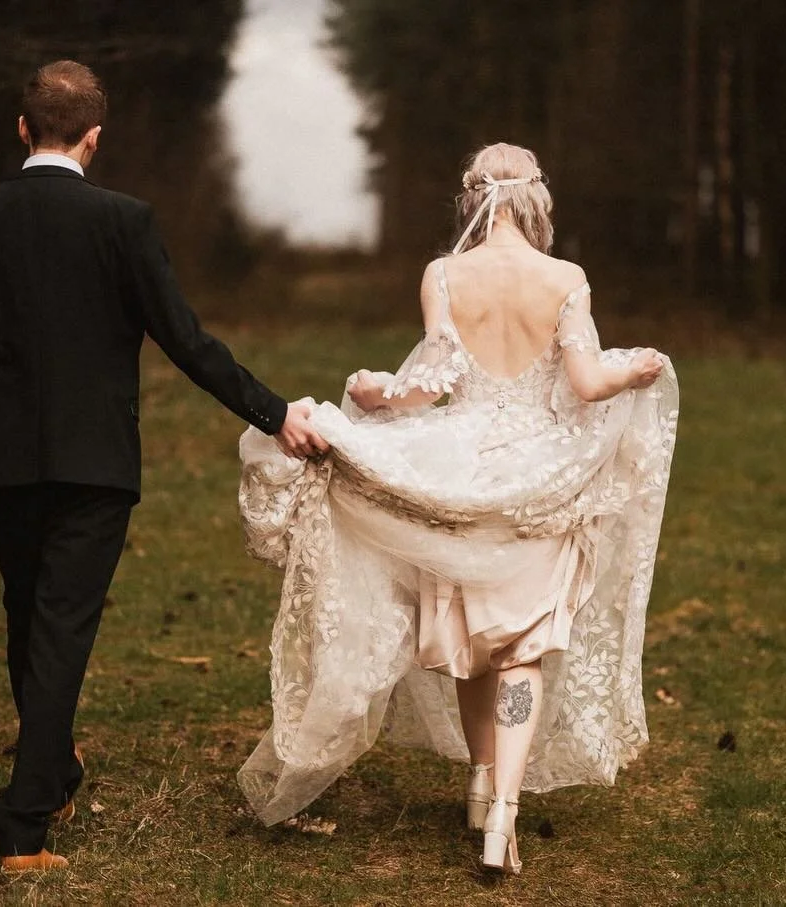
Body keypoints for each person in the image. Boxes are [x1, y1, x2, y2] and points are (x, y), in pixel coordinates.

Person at [0, 60, 327, 873]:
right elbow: (184, 339)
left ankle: (54, 770)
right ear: (94, 139)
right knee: (59, 626)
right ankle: (24, 823)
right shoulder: (124, 222)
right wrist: (274, 412)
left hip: (1, 460)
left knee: (30, 614)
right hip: (96, 461)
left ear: (22, 128)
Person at [237, 143, 678, 875]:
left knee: (476, 642)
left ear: (471, 201)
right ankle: (500, 809)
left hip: (462, 473)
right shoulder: (565, 278)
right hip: (539, 480)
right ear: (535, 201)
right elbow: (586, 381)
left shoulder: (444, 273)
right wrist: (632, 369)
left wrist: (376, 395)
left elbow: (431, 381)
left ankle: (480, 782)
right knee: (521, 649)